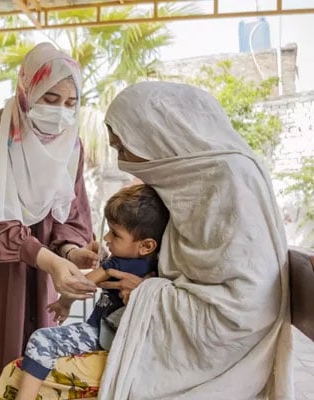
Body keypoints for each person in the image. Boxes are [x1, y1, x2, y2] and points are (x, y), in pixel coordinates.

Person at [96, 81, 292, 399]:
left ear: (154, 135)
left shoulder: (230, 177)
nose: (122, 161)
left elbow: (243, 309)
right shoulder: (188, 182)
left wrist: (147, 295)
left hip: (225, 349)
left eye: (122, 147)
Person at [0, 43, 100, 400]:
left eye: (70, 103)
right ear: (27, 91)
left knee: (30, 332)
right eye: (50, 98)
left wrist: (71, 253)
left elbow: (69, 213)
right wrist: (50, 259)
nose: (60, 112)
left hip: (40, 255)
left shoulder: (71, 145)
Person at [15, 184, 170, 400]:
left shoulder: (120, 264)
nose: (106, 238)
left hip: (103, 334)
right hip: (124, 339)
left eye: (115, 235)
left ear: (146, 245)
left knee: (42, 340)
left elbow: (80, 283)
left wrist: (64, 303)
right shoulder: (154, 267)